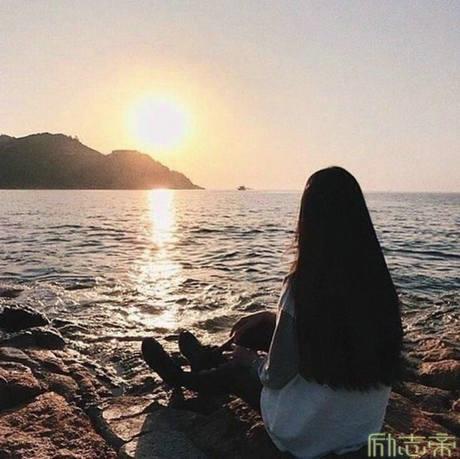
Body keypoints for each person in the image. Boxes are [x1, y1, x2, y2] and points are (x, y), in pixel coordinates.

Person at [141, 166, 403, 459]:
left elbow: (275, 376)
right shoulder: (380, 285)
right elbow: (337, 334)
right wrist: (274, 319)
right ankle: (206, 360)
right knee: (265, 330)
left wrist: (252, 362)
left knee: (237, 373)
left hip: (305, 436)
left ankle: (182, 378)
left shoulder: (305, 284)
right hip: (360, 430)